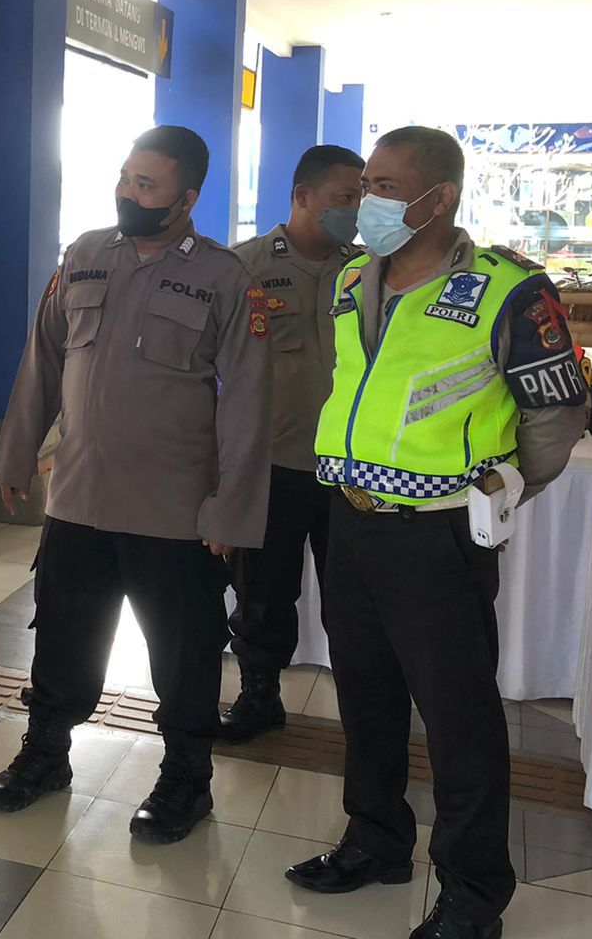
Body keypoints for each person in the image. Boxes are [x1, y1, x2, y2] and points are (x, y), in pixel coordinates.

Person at [286, 128, 586, 939]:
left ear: (439, 196)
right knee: (365, 698)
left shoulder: (509, 291)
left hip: (437, 537)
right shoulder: (354, 278)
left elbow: (557, 417)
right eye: (363, 186)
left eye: (384, 186)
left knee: (459, 723)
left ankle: (473, 895)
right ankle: (375, 840)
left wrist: (494, 490)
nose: (366, 201)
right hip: (350, 524)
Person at [0, 125, 272, 845]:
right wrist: (15, 455)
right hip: (78, 498)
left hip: (176, 511)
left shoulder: (225, 278)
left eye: (147, 184)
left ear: (187, 199)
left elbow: (247, 402)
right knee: (63, 637)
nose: (128, 193)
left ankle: (186, 778)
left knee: (183, 653)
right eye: (124, 177)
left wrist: (230, 511)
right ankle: (46, 753)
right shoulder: (84, 255)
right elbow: (43, 359)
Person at [222, 144, 364, 742]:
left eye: (363, 198)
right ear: (302, 196)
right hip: (273, 465)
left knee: (354, 601)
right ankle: (260, 695)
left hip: (352, 471)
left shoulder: (371, 271)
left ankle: (365, 711)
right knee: (261, 594)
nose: (356, 209)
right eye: (345, 198)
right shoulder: (243, 267)